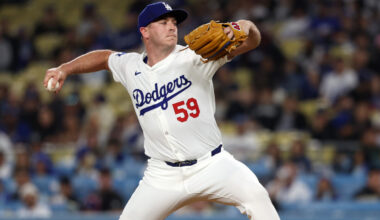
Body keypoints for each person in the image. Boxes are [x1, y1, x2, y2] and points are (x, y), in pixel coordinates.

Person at [43, 2, 279, 220]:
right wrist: (65, 68)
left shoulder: (196, 56)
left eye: (174, 23)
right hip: (162, 176)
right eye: (163, 22)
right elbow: (105, 58)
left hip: (212, 164)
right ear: (145, 31)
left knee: (258, 199)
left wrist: (241, 26)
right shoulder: (131, 66)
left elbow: (252, 39)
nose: (172, 27)